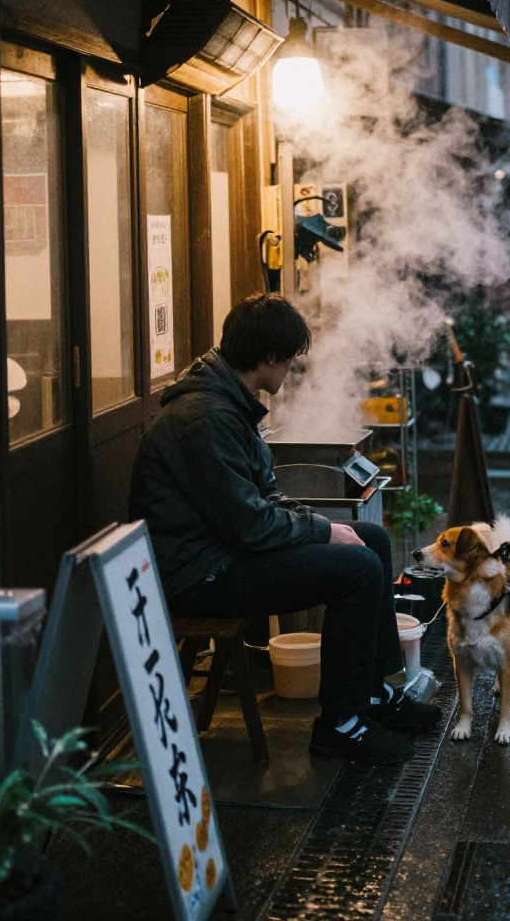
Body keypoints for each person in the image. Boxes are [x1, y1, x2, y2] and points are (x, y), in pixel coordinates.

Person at [129, 293, 440, 765]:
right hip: (200, 574)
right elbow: (250, 525)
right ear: (269, 356)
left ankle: (374, 694)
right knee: (356, 568)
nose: (292, 368)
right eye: (291, 358)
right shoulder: (206, 417)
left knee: (371, 540)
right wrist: (322, 530)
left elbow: (262, 502)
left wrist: (320, 525)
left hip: (224, 552)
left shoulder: (228, 402)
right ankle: (340, 725)